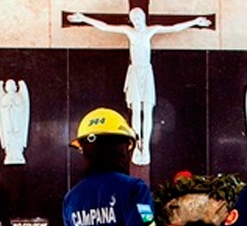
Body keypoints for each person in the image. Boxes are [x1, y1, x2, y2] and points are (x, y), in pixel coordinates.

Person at [68, 8, 211, 165]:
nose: (136, 21)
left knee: (148, 110)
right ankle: (138, 145)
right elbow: (105, 26)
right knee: (136, 110)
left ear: (143, 18)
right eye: (133, 18)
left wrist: (195, 22)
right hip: (135, 72)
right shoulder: (129, 31)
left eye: (138, 17)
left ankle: (146, 147)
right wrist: (84, 18)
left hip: (146, 73)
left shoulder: (151, 30)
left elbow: (174, 27)